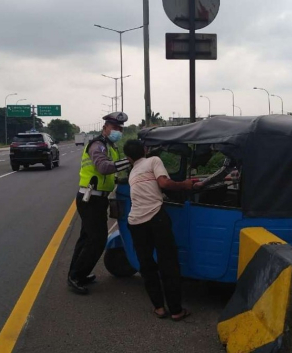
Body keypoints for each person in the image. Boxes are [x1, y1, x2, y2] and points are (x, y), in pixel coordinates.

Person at [123, 140, 201, 321]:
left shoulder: (132, 172)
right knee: (168, 264)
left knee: (147, 265)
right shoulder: (154, 161)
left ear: (128, 158)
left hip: (135, 222)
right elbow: (164, 184)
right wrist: (185, 185)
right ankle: (176, 310)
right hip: (155, 218)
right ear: (145, 150)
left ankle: (158, 307)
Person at [68, 112, 131, 295]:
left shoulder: (111, 146)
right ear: (105, 128)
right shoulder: (98, 145)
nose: (117, 131)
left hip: (97, 198)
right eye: (114, 127)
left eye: (120, 128)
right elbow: (103, 167)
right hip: (90, 198)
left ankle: (77, 274)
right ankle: (76, 275)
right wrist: (128, 162)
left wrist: (122, 180)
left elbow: (109, 174)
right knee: (97, 240)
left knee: (86, 239)